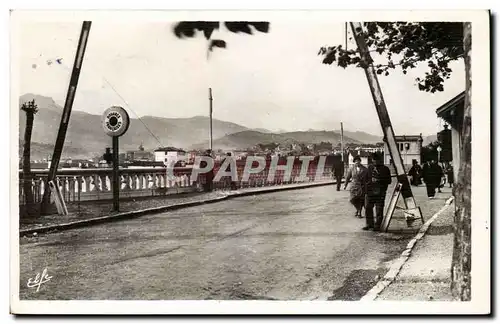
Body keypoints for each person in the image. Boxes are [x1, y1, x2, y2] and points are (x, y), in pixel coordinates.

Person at [363, 152, 392, 231]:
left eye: (376, 160)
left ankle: (377, 225)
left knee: (379, 209)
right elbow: (365, 179)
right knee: (368, 208)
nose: (374, 161)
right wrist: (367, 189)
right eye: (373, 160)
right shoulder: (369, 168)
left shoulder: (385, 169)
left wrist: (379, 180)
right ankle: (369, 224)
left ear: (380, 160)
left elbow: (389, 181)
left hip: (380, 192)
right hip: (370, 192)